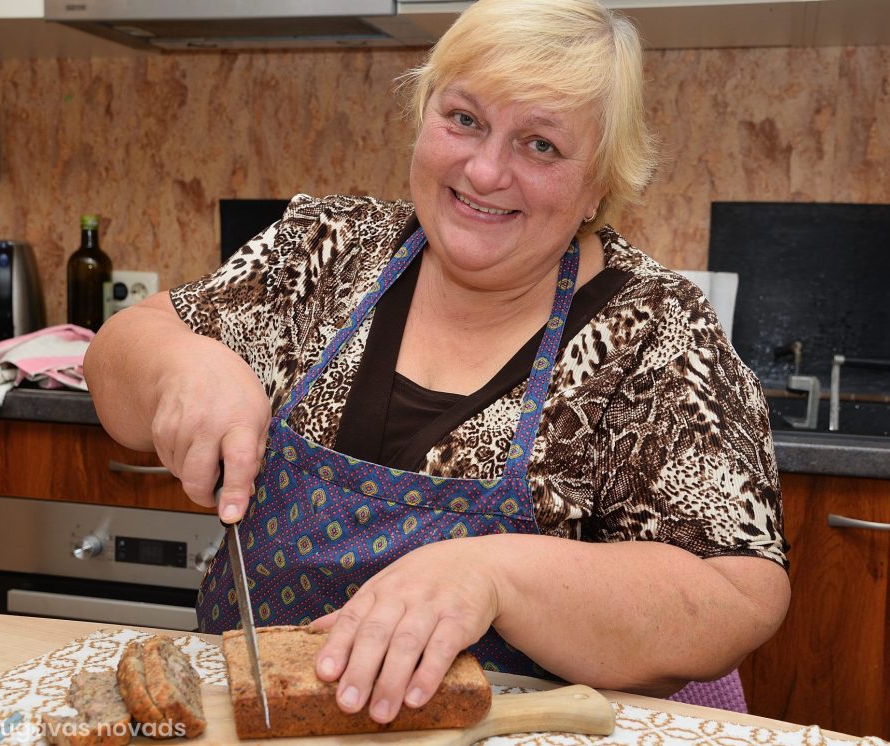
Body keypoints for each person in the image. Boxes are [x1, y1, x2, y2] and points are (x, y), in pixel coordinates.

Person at [85, 0, 789, 722]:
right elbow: (121, 351)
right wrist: (179, 364)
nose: (484, 171)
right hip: (252, 724)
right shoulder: (326, 251)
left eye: (540, 145)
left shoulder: (656, 331)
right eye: (464, 119)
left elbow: (737, 598)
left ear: (598, 185)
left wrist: (494, 576)